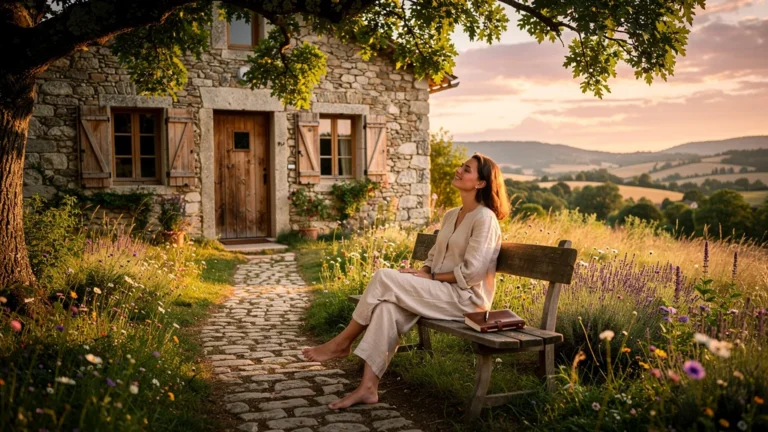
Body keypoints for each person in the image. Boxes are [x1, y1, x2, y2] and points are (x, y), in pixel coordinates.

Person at [302, 153, 510, 409]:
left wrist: (430, 277)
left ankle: (342, 342)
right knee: (386, 308)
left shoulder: (485, 219)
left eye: (467, 169)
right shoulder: (451, 215)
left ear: (480, 183)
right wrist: (423, 271)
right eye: (461, 166)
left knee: (383, 277)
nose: (459, 170)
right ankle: (368, 388)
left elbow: (472, 273)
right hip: (438, 291)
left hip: (466, 300)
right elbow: (433, 255)